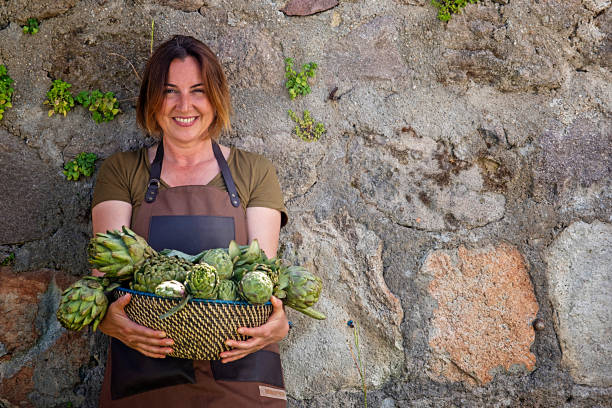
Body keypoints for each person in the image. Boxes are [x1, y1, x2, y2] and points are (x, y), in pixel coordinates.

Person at [91, 35, 290, 407]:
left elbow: (262, 275)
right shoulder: (122, 172)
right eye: (170, 91)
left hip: (240, 372)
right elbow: (104, 281)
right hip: (147, 375)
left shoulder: (253, 172)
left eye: (198, 90)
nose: (185, 105)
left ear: (216, 97)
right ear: (153, 99)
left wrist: (279, 323)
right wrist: (108, 320)